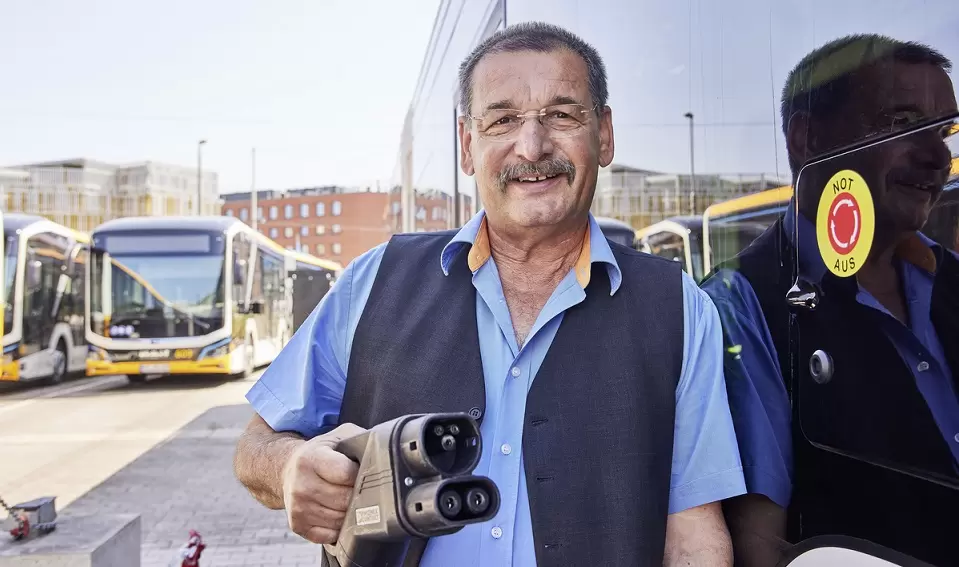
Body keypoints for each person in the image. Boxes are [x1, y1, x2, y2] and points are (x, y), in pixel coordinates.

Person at [234, 21, 746, 567]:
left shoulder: (680, 308)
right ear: (467, 144)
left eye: (561, 114)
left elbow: (692, 534)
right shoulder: (374, 281)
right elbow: (254, 447)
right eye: (502, 119)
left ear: (605, 134)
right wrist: (288, 467)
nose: (532, 146)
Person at [701, 34, 959, 566]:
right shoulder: (742, 304)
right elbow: (760, 543)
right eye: (901, 124)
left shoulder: (949, 278)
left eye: (945, 131)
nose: (938, 157)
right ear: (807, 137)